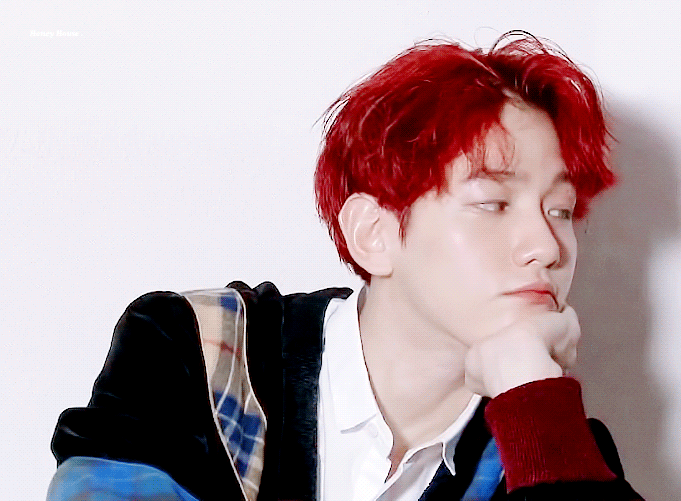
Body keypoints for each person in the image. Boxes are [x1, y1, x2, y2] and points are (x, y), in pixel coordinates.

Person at [47, 32, 643, 501]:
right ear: (373, 233)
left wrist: (532, 392)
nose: (547, 246)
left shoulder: (549, 437)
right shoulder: (197, 350)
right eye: (493, 203)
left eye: (561, 210)